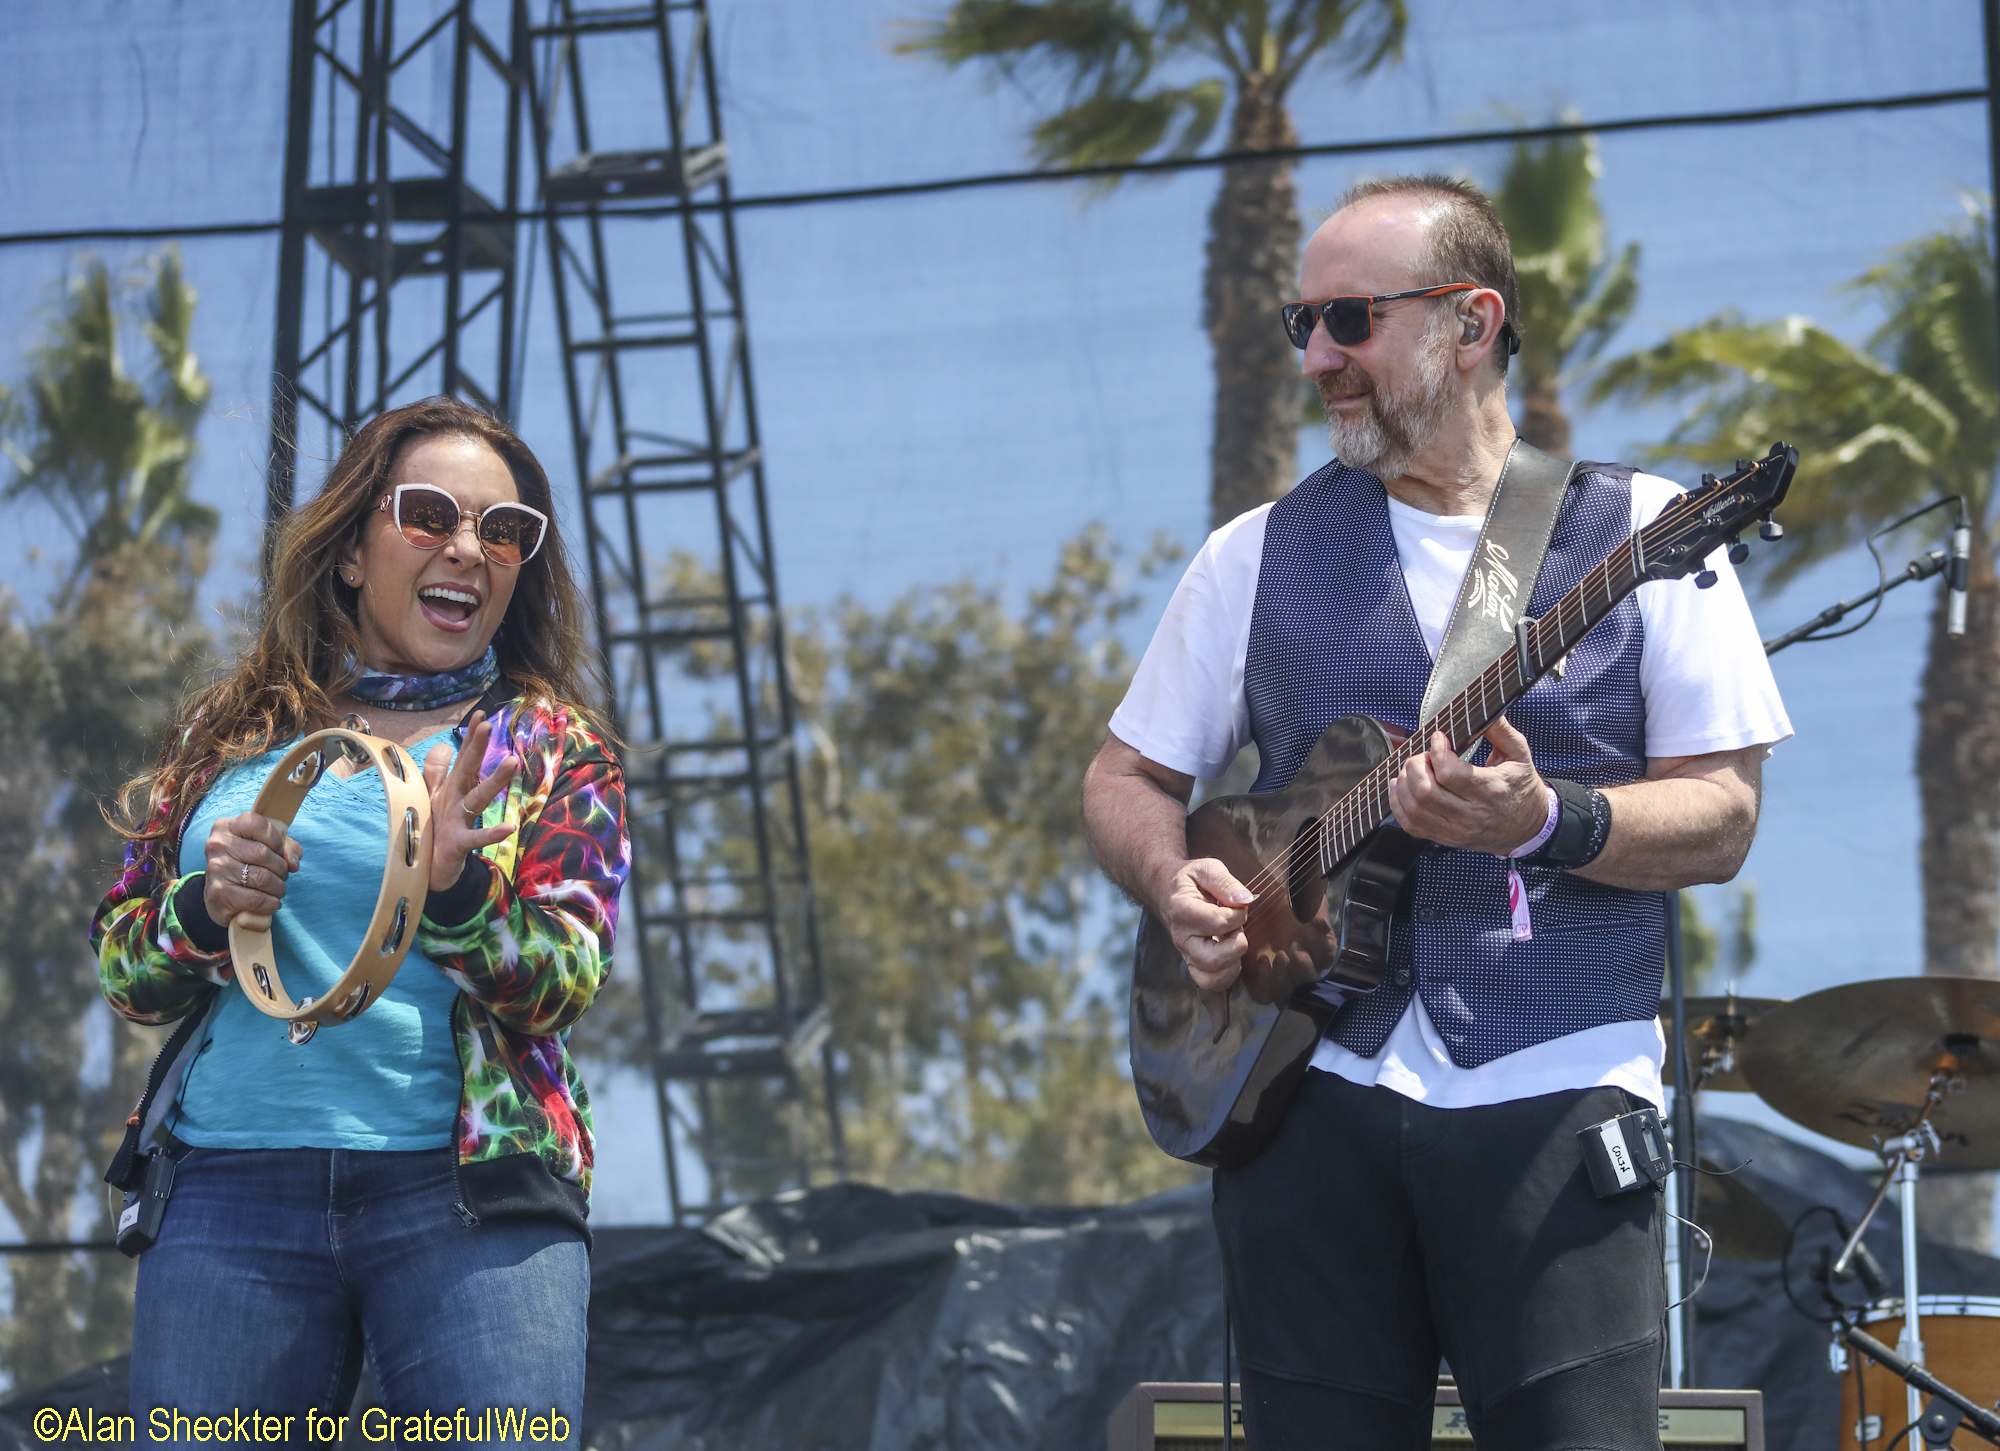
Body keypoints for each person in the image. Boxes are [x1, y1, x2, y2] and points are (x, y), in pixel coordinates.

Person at [1082, 176, 1790, 1448]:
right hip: (1305, 1089)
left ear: (1471, 322)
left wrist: (1542, 821)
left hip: (1554, 1083)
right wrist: (1166, 881)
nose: (1315, 358)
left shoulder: (1640, 531)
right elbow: (1125, 779)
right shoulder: (1252, 553)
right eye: (1299, 324)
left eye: (1348, 320)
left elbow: (1724, 817)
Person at [93, 397, 628, 1435]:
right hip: (225, 1195)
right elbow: (124, 967)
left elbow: (564, 980)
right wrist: (209, 903)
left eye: (504, 530)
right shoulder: (232, 732)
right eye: (429, 514)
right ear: (349, 550)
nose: (468, 548)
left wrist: (459, 892)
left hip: (471, 1201)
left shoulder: (549, 744)